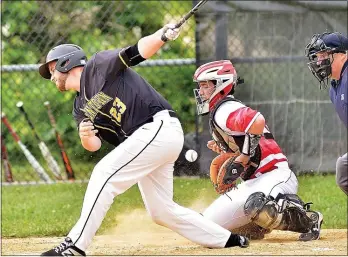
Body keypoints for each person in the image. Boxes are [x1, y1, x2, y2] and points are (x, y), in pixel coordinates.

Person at [38, 25, 249, 256]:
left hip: (157, 127)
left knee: (103, 173)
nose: (51, 77)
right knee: (161, 211)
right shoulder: (79, 107)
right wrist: (86, 137)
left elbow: (136, 52)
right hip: (147, 141)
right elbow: (94, 145)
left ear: (65, 63)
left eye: (51, 69)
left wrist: (162, 35)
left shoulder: (97, 66)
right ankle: (227, 239)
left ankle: (76, 244)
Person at [192, 60, 323, 241]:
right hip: (253, 184)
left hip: (274, 175)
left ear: (221, 86)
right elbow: (248, 136)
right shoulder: (222, 110)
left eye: (205, 85)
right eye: (200, 86)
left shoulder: (225, 109)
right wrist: (226, 148)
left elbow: (257, 120)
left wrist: (244, 156)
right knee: (203, 228)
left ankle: (309, 220)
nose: (200, 91)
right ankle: (257, 224)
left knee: (257, 205)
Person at [305, 32, 348, 195]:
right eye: (317, 56)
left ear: (343, 55)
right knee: (344, 171)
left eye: (324, 55)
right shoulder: (334, 87)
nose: (319, 61)